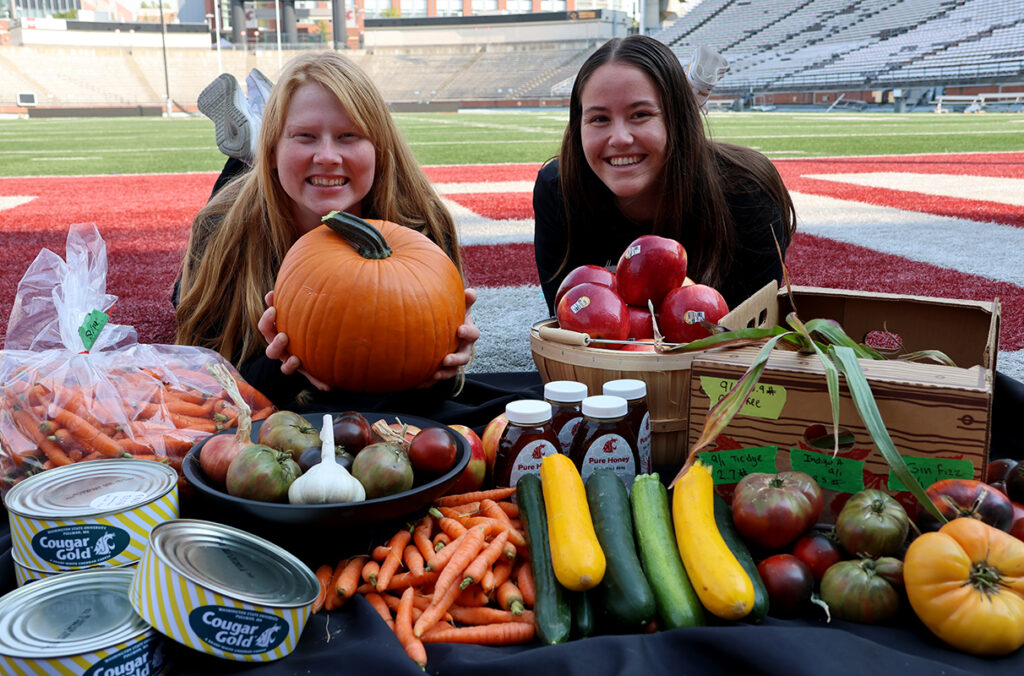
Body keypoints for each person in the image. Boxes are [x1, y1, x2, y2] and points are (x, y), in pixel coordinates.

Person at [174, 51, 491, 421]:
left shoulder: (419, 224)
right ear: (273, 151)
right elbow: (201, 387)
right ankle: (249, 148)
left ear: (379, 149)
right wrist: (279, 369)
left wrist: (442, 364)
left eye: (348, 136)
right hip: (273, 412)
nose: (327, 156)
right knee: (183, 294)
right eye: (305, 136)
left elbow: (432, 393)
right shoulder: (221, 228)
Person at [533, 34, 797, 316]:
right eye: (599, 119)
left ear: (678, 119)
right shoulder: (558, 188)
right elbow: (568, 323)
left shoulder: (747, 193)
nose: (619, 138)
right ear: (578, 127)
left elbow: (740, 337)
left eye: (640, 114)